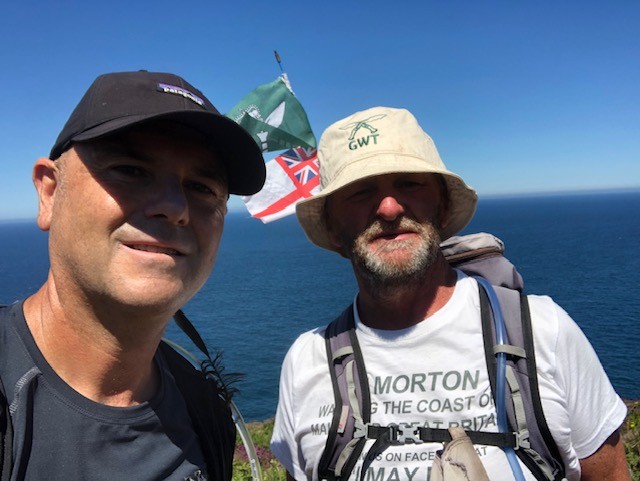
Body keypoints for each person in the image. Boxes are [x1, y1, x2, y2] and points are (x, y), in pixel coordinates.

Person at [270, 107, 629, 480]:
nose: (389, 208)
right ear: (332, 226)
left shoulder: (543, 332)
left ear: (441, 207)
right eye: (360, 192)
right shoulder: (306, 363)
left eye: (409, 184)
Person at [0, 70, 266, 480]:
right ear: (50, 193)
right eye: (130, 170)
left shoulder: (205, 409)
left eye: (201, 188)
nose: (175, 207)